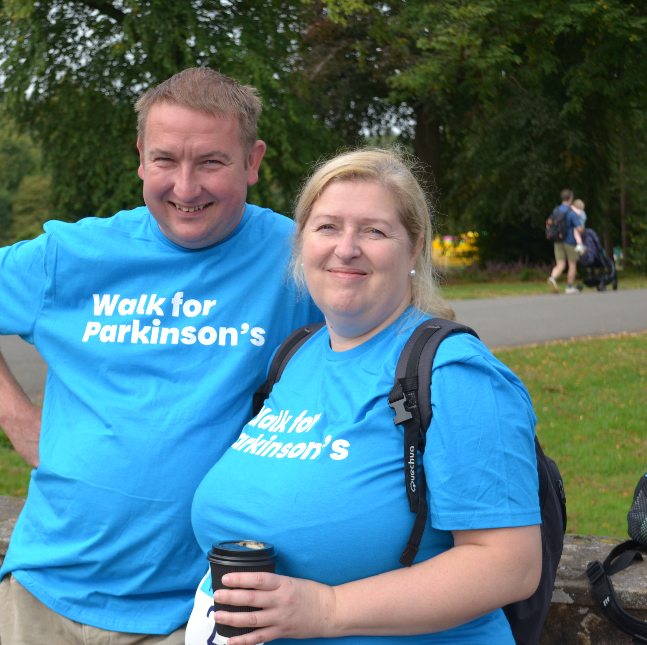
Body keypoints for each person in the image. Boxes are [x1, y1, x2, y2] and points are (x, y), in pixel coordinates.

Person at [0, 68, 322, 645]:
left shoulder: (296, 263)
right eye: (165, 161)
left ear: (253, 162)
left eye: (211, 162)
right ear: (140, 158)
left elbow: (390, 343)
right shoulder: (77, 254)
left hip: (195, 607)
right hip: (46, 592)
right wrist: (19, 423)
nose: (186, 187)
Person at [187, 149, 542, 645]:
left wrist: (327, 610)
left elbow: (510, 565)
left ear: (414, 248)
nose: (346, 248)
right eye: (327, 227)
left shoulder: (456, 375)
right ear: (302, 243)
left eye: (374, 231)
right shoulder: (296, 357)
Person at [547, 189, 586, 294]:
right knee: (572, 264)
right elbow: (579, 228)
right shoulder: (572, 212)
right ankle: (569, 287)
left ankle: (553, 278)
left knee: (560, 264)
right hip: (570, 241)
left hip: (558, 240)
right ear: (571, 198)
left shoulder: (556, 210)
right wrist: (583, 231)